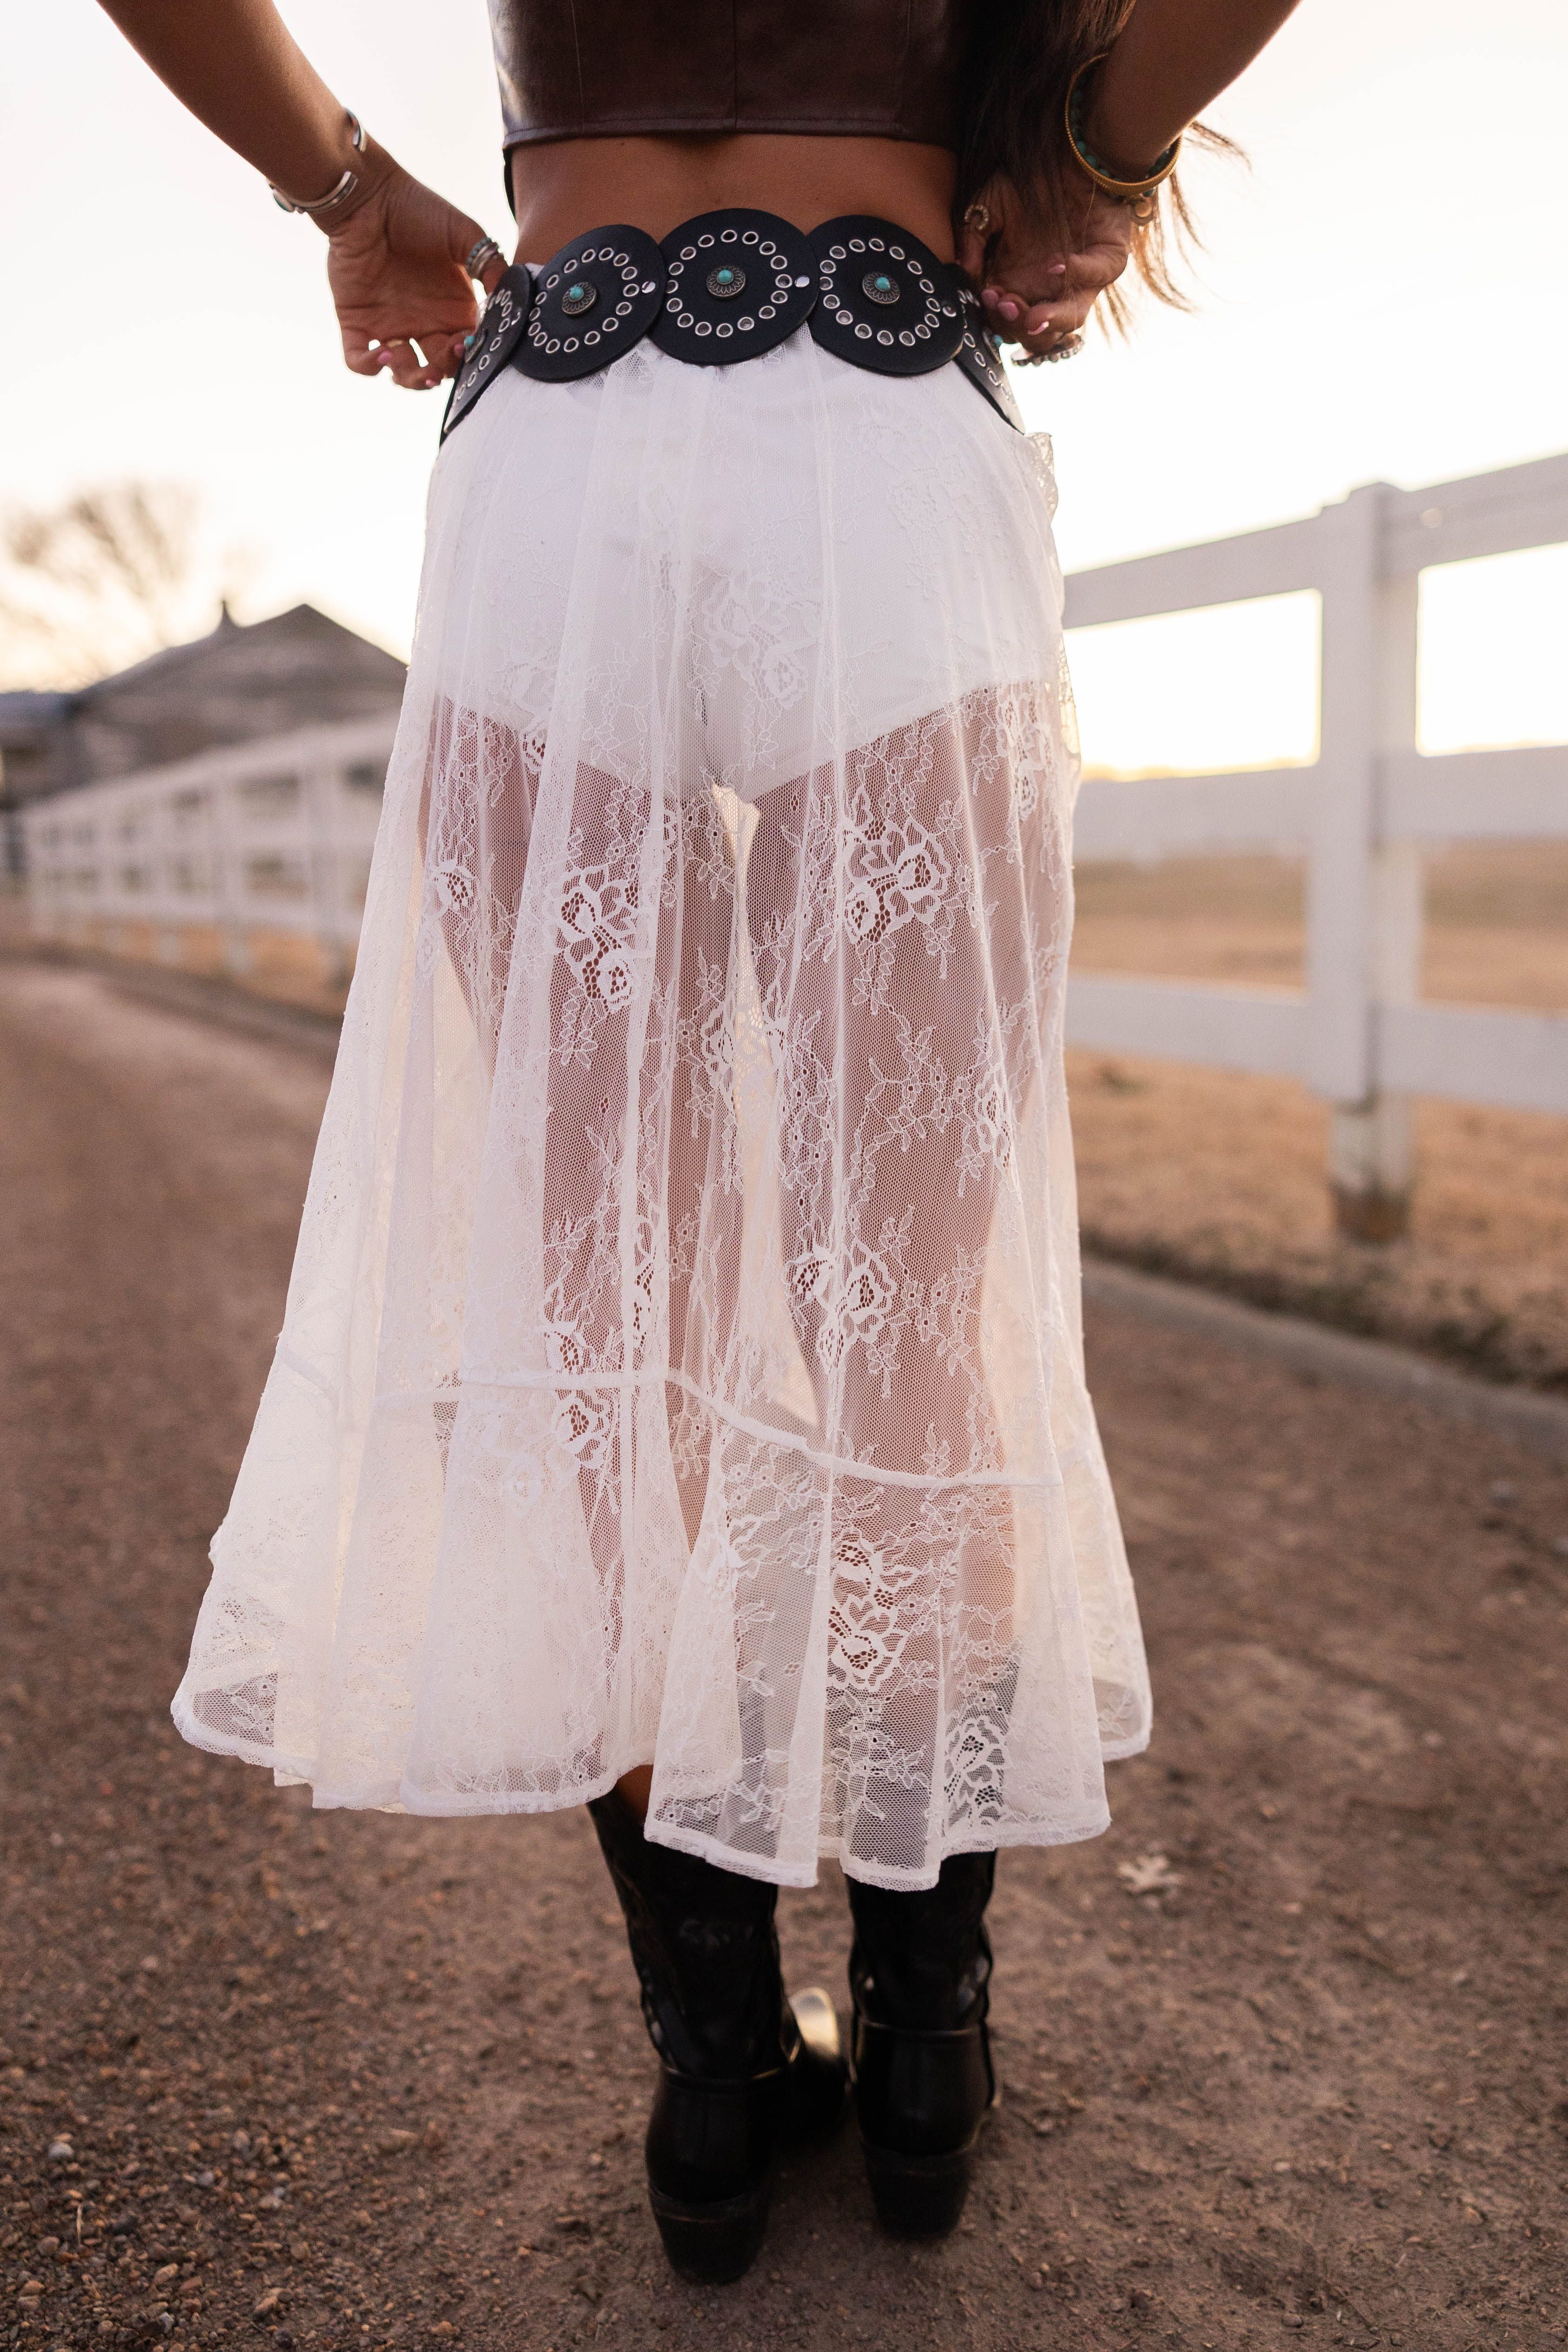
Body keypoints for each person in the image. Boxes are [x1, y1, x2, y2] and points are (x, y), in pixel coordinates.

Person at [99, 0, 1300, 2287]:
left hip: (556, 430)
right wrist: (1098, 153)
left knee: (601, 1300)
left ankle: (718, 2072)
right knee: (906, 1305)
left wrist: (349, 195)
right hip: (880, 415)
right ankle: (930, 2038)